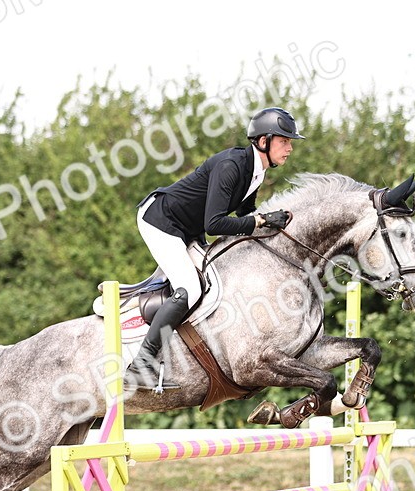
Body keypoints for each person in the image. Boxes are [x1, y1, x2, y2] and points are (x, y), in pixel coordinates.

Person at [125, 106, 305, 390]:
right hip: (161, 221)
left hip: (186, 227)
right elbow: (215, 223)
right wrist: (259, 221)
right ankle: (141, 364)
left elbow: (246, 210)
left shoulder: (256, 171)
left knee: (217, 277)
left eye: (290, 142)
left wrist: (269, 222)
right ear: (263, 141)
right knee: (190, 288)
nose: (289, 148)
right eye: (284, 141)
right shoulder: (232, 166)